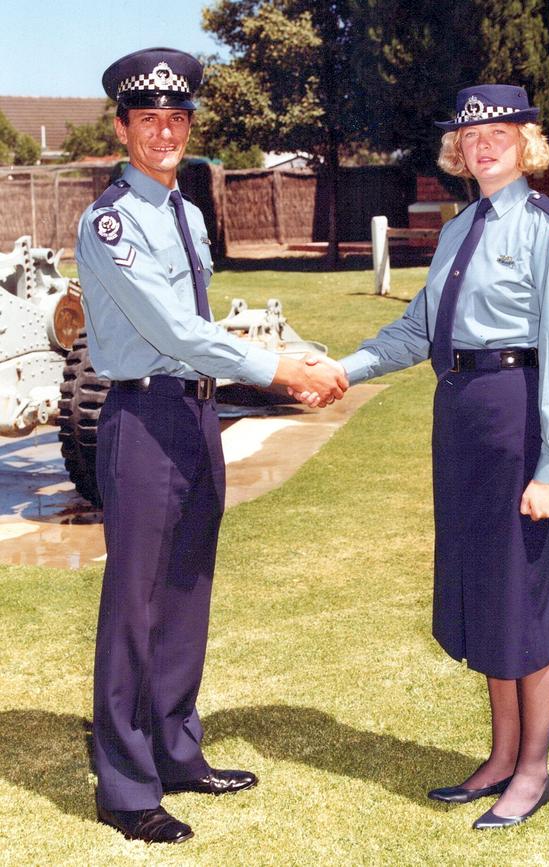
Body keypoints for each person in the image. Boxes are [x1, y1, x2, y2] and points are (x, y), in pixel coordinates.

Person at [76, 47, 348, 845]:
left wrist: (265, 369)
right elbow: (173, 331)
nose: (164, 131)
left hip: (198, 417)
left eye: (177, 118)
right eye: (148, 118)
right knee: (135, 603)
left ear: (189, 126)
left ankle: (175, 749)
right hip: (142, 420)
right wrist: (278, 370)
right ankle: (126, 787)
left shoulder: (188, 215)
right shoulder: (112, 220)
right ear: (123, 127)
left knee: (188, 589)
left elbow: (202, 338)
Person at [300, 84, 549, 829]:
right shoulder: (461, 229)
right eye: (469, 134)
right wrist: (344, 368)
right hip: (460, 417)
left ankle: (533, 769)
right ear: (455, 149)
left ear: (525, 141)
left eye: (498, 131)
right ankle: (499, 754)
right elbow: (417, 330)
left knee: (528, 592)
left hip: (516, 415)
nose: (482, 143)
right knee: (487, 586)